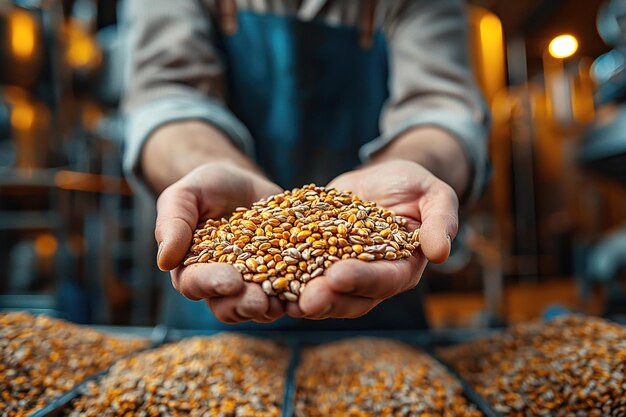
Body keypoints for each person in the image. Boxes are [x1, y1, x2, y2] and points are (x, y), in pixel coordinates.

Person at [121, 0, 490, 329]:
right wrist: (206, 165)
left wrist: (412, 165)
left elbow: (442, 108)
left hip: (382, 307)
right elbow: (164, 98)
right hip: (213, 315)